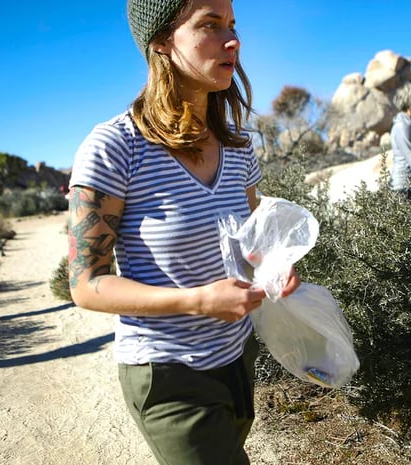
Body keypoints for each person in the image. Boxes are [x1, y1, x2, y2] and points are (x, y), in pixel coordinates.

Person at [67, 0, 300, 464]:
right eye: (209, 26)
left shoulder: (237, 145)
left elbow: (255, 242)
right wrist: (195, 301)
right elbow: (85, 285)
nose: (232, 40)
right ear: (161, 44)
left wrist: (276, 267)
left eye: (232, 24)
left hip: (237, 357)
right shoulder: (115, 147)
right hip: (168, 374)